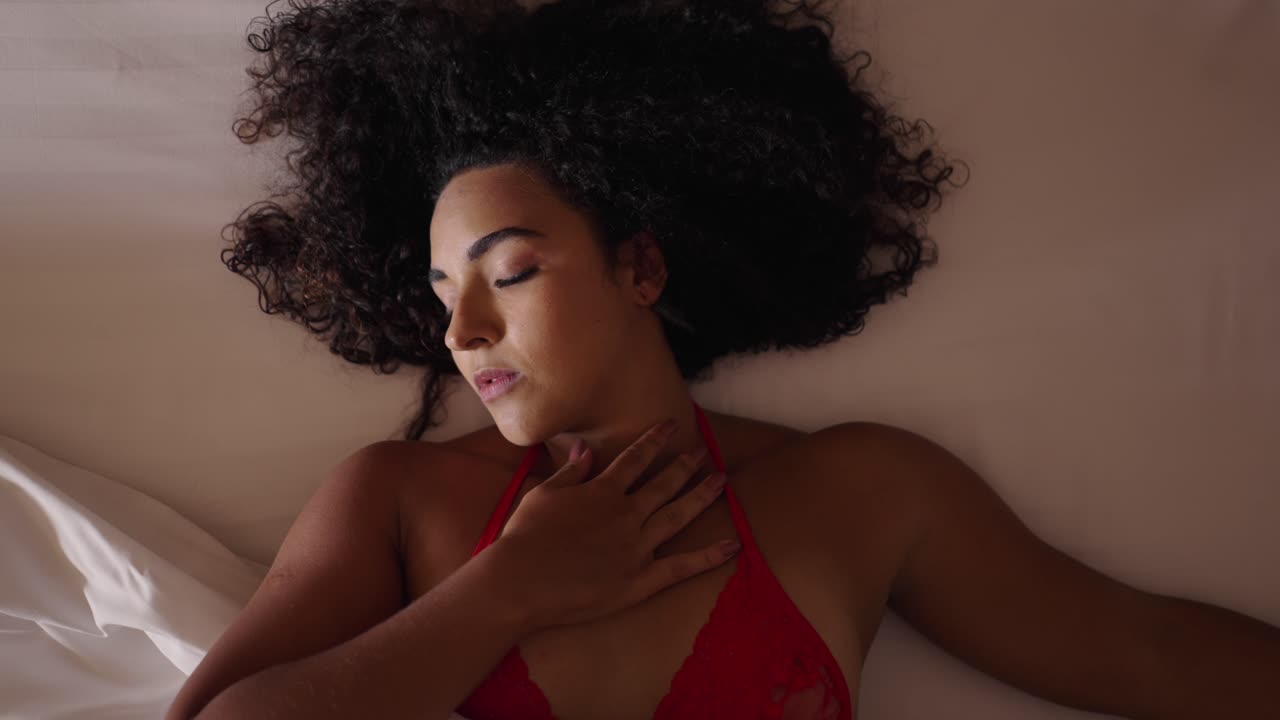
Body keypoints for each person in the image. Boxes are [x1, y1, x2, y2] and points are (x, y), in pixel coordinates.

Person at [168, 1, 1280, 719]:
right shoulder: (399, 499)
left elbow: (1152, 658)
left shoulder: (856, 491)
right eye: (442, 292)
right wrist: (506, 591)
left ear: (640, 268)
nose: (461, 331)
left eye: (506, 275)